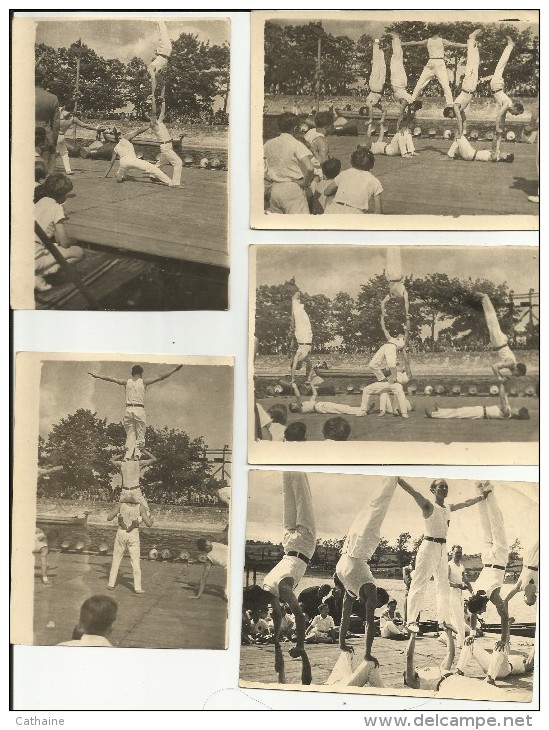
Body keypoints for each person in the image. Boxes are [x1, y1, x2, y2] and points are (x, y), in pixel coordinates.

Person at [398, 477, 491, 633]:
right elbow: (413, 492)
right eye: (440, 486)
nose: (444, 489)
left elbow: (466, 503)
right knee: (419, 583)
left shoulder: (448, 507)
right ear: (433, 490)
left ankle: (443, 620)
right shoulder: (428, 505)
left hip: (443, 548)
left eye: (446, 487)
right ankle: (411, 621)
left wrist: (482, 497)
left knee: (443, 585)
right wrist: (397, 479)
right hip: (428, 546)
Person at [261, 472, 317, 683]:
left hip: (297, 544)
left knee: (295, 493)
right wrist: (276, 642)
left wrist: (300, 645)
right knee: (296, 492)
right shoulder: (268, 584)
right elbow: (279, 615)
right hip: (296, 544)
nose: (275, 609)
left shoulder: (279, 589)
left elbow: (298, 617)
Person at [335, 477, 395, 672]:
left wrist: (343, 643)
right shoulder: (368, 590)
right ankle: (391, 477)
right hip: (347, 562)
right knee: (373, 511)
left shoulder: (355, 592)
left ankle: (389, 479)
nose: (372, 606)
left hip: (349, 556)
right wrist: (366, 653)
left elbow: (346, 619)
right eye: (376, 604)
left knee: (372, 512)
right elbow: (369, 624)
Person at [466, 482, 512, 684]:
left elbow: (504, 617)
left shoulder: (492, 595)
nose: (484, 611)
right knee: (486, 523)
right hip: (486, 558)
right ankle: (480, 489)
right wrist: (472, 632)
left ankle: (489, 491)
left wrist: (503, 639)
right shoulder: (475, 593)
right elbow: (473, 614)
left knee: (496, 521)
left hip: (499, 557)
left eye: (483, 609)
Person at [89, 364, 182, 459]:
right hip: (139, 409)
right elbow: (160, 377)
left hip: (128, 410)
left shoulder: (126, 382)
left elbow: (111, 379)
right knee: (140, 434)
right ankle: (137, 455)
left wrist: (97, 375)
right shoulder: (144, 382)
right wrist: (174, 370)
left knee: (130, 434)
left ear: (132, 373)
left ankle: (127, 456)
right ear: (141, 373)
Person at [34, 173, 84, 292]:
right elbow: (64, 242)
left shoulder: (39, 202)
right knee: (78, 252)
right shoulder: (57, 208)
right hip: (36, 257)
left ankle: (35, 271)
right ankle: (38, 274)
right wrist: (73, 240)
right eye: (66, 195)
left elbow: (56, 239)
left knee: (53, 247)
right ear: (62, 195)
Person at [263, 112, 315, 214]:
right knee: (300, 225)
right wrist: (305, 183)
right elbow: (310, 168)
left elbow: (258, 168)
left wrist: (271, 178)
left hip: (275, 188)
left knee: (278, 224)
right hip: (292, 188)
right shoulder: (296, 144)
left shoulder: (268, 144)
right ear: (295, 128)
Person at [403, 33, 468, 107]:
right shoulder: (441, 40)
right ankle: (450, 103)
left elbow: (414, 43)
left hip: (431, 62)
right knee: (444, 83)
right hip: (439, 62)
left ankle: (412, 99)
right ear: (439, 33)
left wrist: (402, 44)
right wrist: (467, 45)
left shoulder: (428, 40)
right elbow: (454, 44)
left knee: (421, 81)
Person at [474, 292, 527, 381]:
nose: (515, 376)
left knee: (489, 320)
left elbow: (497, 367)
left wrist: (502, 376)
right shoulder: (511, 364)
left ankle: (483, 300)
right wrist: (499, 377)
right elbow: (494, 366)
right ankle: (485, 297)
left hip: (499, 342)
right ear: (517, 370)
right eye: (518, 375)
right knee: (492, 319)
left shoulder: (511, 365)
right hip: (500, 342)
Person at [107, 496, 153, 594]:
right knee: (135, 561)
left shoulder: (121, 505)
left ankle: (111, 584)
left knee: (116, 559)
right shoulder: (141, 507)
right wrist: (151, 517)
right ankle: (137, 588)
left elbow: (109, 518)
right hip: (133, 534)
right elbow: (149, 524)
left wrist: (118, 514)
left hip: (121, 533)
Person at [104, 126, 176, 186]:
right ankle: (170, 182)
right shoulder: (125, 138)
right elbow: (138, 131)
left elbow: (111, 163)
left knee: (120, 175)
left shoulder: (115, 148)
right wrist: (149, 126)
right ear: (121, 135)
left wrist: (105, 175)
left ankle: (120, 176)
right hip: (132, 160)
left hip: (123, 163)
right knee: (152, 168)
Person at [443, 29, 483, 137]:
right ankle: (474, 44)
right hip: (471, 88)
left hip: (467, 86)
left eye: (450, 116)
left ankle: (471, 38)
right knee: (476, 63)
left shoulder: (456, 106)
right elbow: (464, 119)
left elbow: (459, 120)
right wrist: (464, 132)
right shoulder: (460, 110)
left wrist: (460, 133)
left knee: (471, 63)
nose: (452, 117)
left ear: (450, 111)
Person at [426, 382, 530, 421]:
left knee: (458, 413)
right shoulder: (509, 410)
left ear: (518, 412)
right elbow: (504, 397)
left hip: (480, 413)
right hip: (480, 410)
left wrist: (502, 383)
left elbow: (502, 398)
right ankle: (441, 410)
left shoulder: (507, 413)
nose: (516, 407)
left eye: (518, 408)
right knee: (459, 410)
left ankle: (434, 414)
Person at [323, 147, 383, 214]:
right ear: (372, 165)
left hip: (335, 211)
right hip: (355, 214)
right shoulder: (375, 181)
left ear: (352, 161)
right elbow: (378, 211)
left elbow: (326, 192)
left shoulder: (344, 173)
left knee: (330, 197)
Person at [455, 634, 534, 682]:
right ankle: (459, 670)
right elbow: (507, 642)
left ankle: (490, 679)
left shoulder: (524, 663)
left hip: (503, 671)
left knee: (500, 646)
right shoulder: (515, 656)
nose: (526, 655)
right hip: (490, 664)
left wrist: (534, 651)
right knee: (471, 641)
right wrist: (508, 625)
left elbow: (530, 662)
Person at [490, 38, 524, 134]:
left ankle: (510, 46)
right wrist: (497, 128)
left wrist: (503, 127)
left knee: (501, 64)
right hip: (497, 84)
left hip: (497, 86)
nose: (514, 115)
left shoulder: (508, 106)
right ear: (516, 108)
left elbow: (503, 117)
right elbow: (499, 115)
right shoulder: (506, 104)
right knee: (502, 63)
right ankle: (510, 45)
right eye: (516, 113)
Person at [109, 448, 157, 516]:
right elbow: (154, 459)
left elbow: (111, 460)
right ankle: (140, 519)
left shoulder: (122, 464)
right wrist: (143, 450)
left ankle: (118, 518)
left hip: (125, 492)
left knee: (119, 511)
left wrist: (122, 454)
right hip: (135, 491)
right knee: (146, 511)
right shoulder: (138, 463)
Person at [148, 98, 182, 187]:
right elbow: (154, 110)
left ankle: (152, 174)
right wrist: (153, 101)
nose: (154, 117)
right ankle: (175, 183)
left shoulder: (159, 121)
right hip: (165, 146)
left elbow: (162, 111)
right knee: (178, 162)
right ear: (150, 118)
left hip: (168, 145)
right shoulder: (152, 124)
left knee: (161, 163)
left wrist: (163, 101)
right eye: (152, 116)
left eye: (154, 116)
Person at [57, 108, 100, 175]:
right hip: (61, 136)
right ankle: (68, 170)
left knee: (48, 152)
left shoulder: (57, 118)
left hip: (54, 135)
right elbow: (85, 125)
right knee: (64, 154)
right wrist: (96, 128)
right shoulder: (73, 119)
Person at [35, 68, 60, 175]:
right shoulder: (53, 98)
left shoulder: (22, 96)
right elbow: (56, 123)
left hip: (25, 132)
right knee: (48, 168)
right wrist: (53, 141)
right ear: (43, 82)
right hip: (46, 133)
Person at [448, 545, 473, 647]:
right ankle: (461, 642)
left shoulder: (461, 566)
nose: (459, 554)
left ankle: (445, 637)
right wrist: (456, 585)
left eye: (460, 553)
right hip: (451, 593)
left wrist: (472, 592)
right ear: (452, 553)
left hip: (460, 594)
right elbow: (445, 581)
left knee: (459, 618)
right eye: (457, 552)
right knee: (458, 617)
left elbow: (465, 580)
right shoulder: (449, 565)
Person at [290, 381, 363, 416]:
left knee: (340, 408)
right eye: (295, 404)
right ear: (293, 408)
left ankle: (361, 410)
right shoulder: (300, 409)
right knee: (340, 408)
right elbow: (298, 396)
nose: (296, 402)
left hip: (319, 406)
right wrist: (295, 387)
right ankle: (361, 411)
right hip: (319, 407)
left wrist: (311, 384)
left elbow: (315, 394)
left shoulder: (305, 405)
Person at [504, 538, 538, 607]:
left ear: (524, 595)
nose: (533, 598)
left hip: (529, 559)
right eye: (534, 599)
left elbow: (505, 600)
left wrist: (506, 617)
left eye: (530, 599)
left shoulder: (519, 587)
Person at [290, 290, 314, 384]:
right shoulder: (304, 357)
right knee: (303, 317)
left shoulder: (298, 355)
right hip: (306, 337)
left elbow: (293, 367)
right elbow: (311, 366)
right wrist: (308, 379)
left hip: (303, 337)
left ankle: (295, 300)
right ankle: (297, 301)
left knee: (299, 318)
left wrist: (293, 379)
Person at [446, 133, 514, 163]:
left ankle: (450, 156)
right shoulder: (497, 153)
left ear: (505, 157)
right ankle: (454, 155)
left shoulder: (495, 157)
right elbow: (497, 144)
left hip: (470, 154)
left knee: (460, 137)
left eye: (507, 153)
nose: (505, 152)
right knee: (458, 140)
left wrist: (496, 136)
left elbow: (494, 145)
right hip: (469, 154)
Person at [148, 20, 172, 101]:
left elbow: (153, 81)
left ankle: (159, 21)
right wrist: (162, 95)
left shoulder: (150, 68)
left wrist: (152, 94)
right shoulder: (158, 75)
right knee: (162, 35)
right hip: (166, 52)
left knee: (161, 35)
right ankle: (160, 21)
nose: (152, 79)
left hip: (164, 52)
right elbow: (163, 84)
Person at [365, 39, 387, 124]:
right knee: (379, 66)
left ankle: (376, 44)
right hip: (376, 89)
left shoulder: (372, 99)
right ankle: (378, 47)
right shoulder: (376, 100)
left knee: (376, 66)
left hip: (375, 89)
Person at [382, 247, 409, 314]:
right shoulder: (403, 293)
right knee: (397, 256)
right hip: (397, 276)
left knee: (390, 257)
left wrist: (383, 312)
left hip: (391, 277)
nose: (397, 299)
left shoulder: (391, 295)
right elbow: (406, 302)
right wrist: (407, 313)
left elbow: (382, 302)